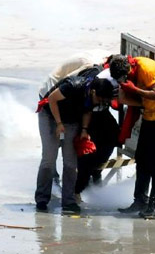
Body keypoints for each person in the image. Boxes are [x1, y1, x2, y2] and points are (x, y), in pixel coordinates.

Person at [35, 76, 114, 214]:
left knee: (71, 163)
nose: (100, 102)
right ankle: (42, 198)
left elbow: (88, 111)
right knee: (49, 158)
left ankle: (69, 201)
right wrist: (59, 124)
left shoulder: (95, 97)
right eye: (100, 99)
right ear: (94, 92)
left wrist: (84, 130)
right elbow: (52, 99)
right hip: (50, 116)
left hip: (71, 121)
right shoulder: (73, 86)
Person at [111, 55, 155, 217]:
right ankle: (139, 200)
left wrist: (134, 90)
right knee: (142, 159)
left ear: (129, 69)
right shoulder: (132, 67)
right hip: (149, 115)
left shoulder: (147, 69)